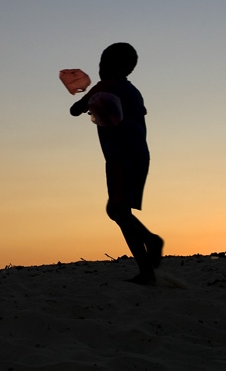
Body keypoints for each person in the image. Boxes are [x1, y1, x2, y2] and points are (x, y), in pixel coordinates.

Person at [69, 43, 164, 285]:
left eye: (103, 64)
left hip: (120, 157)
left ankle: (147, 269)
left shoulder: (106, 86)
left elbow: (74, 109)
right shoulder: (132, 90)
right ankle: (150, 242)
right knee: (117, 210)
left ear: (114, 67)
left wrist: (83, 99)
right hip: (138, 154)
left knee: (119, 210)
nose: (100, 68)